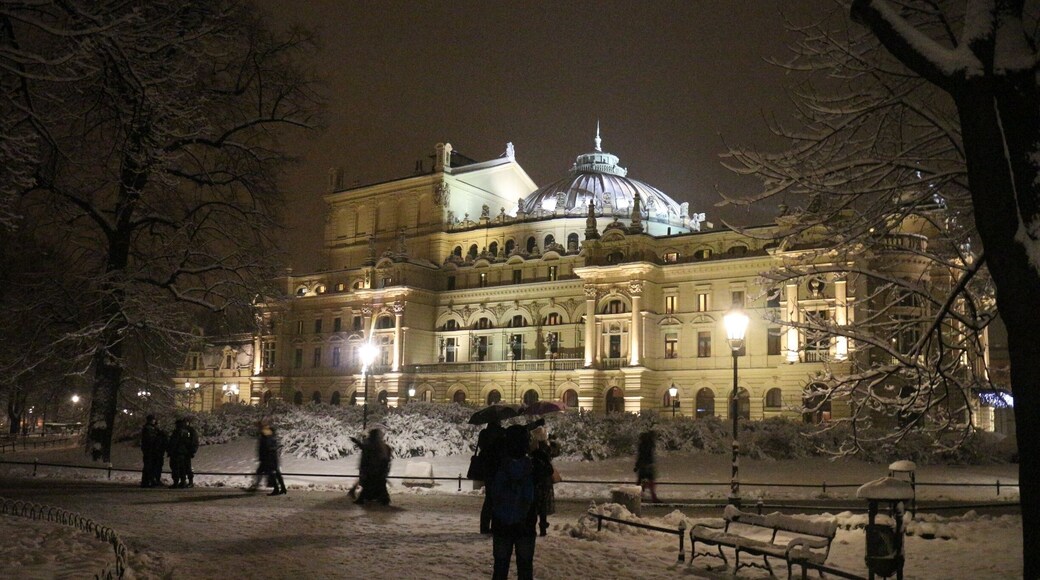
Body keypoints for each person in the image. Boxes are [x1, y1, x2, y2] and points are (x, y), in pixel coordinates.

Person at [489, 424, 547, 580]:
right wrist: (537, 450)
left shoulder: (498, 464)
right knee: (525, 568)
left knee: (500, 568)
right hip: (526, 524)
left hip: (501, 524)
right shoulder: (534, 466)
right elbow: (548, 471)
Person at [476, 418, 506, 534]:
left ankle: (484, 526)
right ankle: (495, 525)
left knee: (489, 499)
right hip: (497, 468)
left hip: (487, 469)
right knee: (497, 499)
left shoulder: (484, 433)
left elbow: (482, 447)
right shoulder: (500, 433)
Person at [351, 428, 392, 505]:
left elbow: (366, 449)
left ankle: (362, 499)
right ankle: (384, 499)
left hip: (374, 468)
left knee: (369, 483)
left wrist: (357, 442)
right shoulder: (382, 446)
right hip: (378, 469)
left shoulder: (374, 445)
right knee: (379, 484)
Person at [529, 426, 557, 537]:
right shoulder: (546, 452)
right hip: (544, 483)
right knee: (543, 507)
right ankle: (543, 528)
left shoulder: (531, 453)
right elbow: (550, 470)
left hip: (534, 483)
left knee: (533, 507)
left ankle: (532, 528)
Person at [250, 420, 286, 495]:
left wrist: (263, 456)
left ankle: (276, 489)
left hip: (268, 457)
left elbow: (265, 447)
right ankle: (283, 488)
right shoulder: (271, 434)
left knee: (271, 472)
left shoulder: (265, 434)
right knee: (276, 472)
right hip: (273, 456)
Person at [167, 418, 199, 488]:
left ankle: (179, 482)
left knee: (177, 467)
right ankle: (183, 482)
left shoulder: (179, 431)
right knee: (183, 468)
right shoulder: (187, 432)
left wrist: (170, 451)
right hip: (185, 452)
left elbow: (174, 442)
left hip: (178, 452)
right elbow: (192, 442)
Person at [140, 415, 166, 488]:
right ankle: (147, 481)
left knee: (151, 466)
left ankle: (150, 481)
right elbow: (150, 439)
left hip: (152, 450)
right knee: (149, 466)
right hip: (150, 450)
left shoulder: (151, 428)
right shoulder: (149, 428)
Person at [635, 430, 659, 502]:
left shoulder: (644, 445)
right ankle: (652, 497)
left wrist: (637, 466)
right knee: (649, 481)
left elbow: (641, 456)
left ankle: (639, 496)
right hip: (647, 465)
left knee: (642, 482)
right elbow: (646, 456)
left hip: (644, 465)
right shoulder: (649, 445)